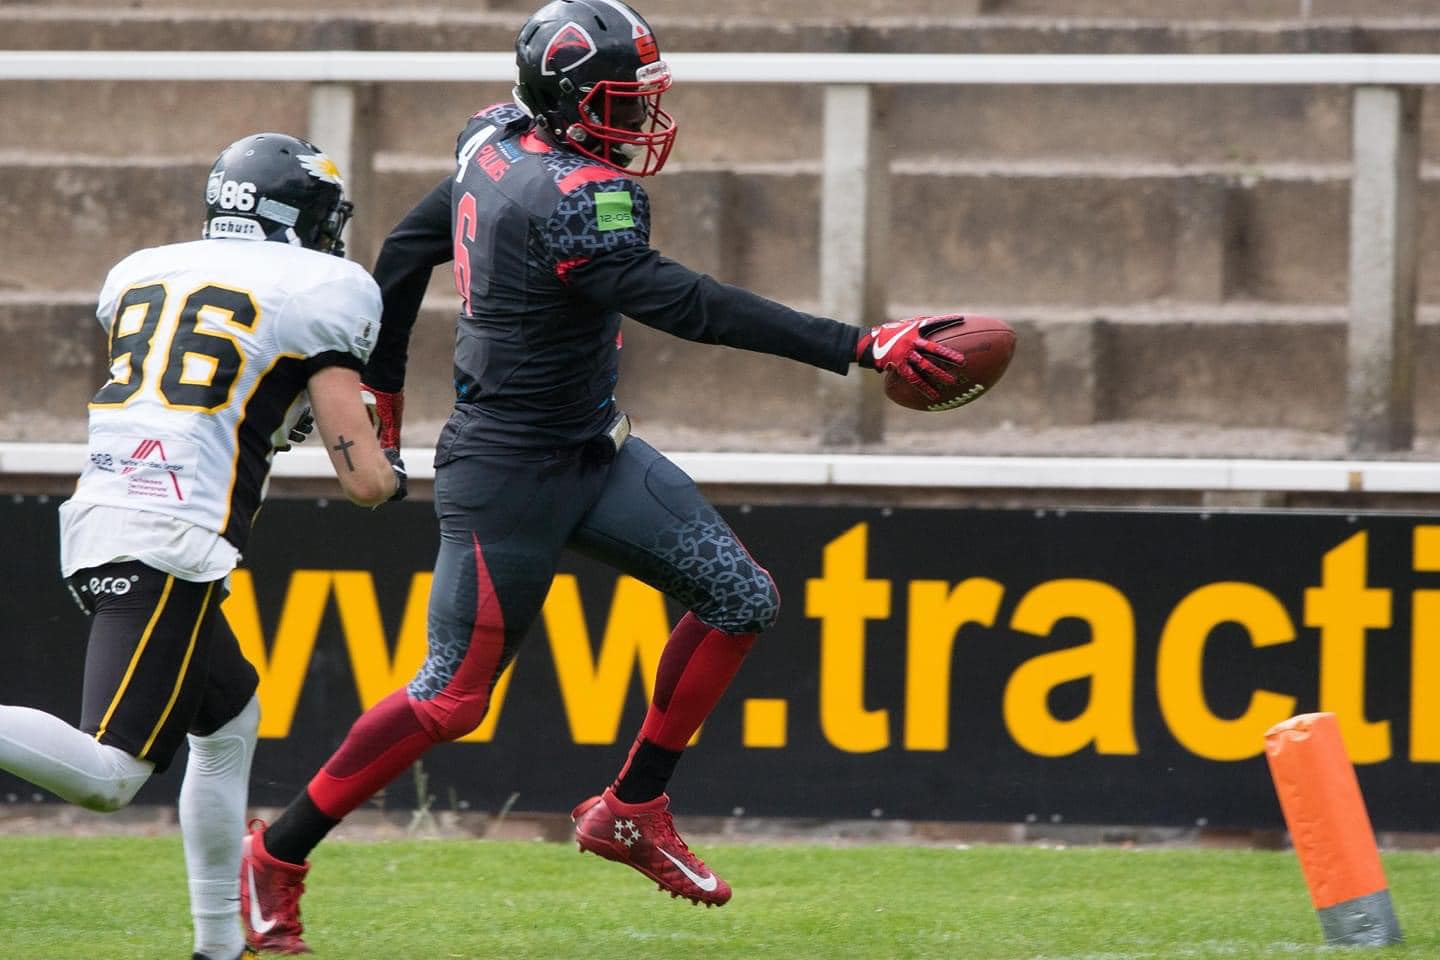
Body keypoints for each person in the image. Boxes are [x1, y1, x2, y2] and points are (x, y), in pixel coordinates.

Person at [240, 0, 964, 952]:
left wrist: (383, 380)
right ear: (567, 100)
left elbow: (410, 247)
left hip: (593, 450)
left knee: (740, 598)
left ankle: (632, 807)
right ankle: (275, 857)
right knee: (452, 699)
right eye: (621, 104)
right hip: (505, 473)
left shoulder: (492, 137)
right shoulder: (578, 194)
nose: (638, 124)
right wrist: (858, 346)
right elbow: (688, 305)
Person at [0, 132, 406, 960]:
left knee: (229, 722)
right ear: (301, 219)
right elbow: (363, 482)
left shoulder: (145, 271)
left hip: (115, 513)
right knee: (113, 775)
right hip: (167, 535)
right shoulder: (323, 286)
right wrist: (394, 471)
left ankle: (219, 946)